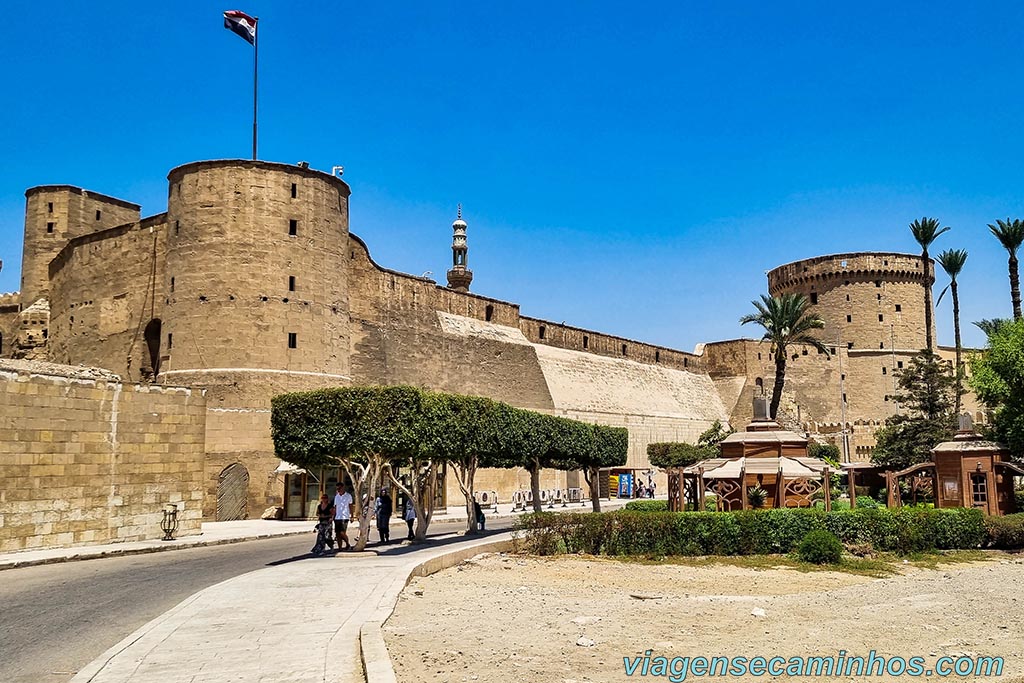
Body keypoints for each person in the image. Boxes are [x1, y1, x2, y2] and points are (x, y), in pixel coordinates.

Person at [334, 483, 353, 551]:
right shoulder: (337, 496)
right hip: (337, 517)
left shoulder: (348, 496)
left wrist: (352, 516)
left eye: (339, 488)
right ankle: (340, 547)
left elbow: (350, 506)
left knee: (342, 532)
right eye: (337, 489)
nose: (338, 490)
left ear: (343, 488)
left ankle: (347, 544)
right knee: (337, 533)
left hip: (345, 516)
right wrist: (333, 516)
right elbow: (335, 506)